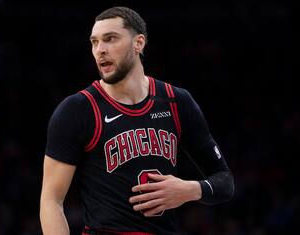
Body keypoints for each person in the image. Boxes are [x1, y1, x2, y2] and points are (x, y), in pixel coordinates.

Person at [40, 6, 234, 235]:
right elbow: (51, 200)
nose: (100, 50)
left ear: (138, 43)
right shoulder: (77, 109)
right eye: (94, 42)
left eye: (110, 39)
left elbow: (225, 181)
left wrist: (190, 189)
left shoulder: (175, 101)